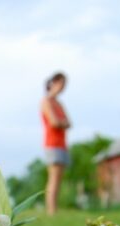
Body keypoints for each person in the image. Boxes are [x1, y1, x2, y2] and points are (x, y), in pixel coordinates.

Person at [41, 72, 70, 216]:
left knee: (58, 179)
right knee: (53, 178)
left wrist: (62, 123)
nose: (63, 87)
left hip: (62, 144)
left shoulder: (59, 103)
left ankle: (54, 210)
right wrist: (62, 122)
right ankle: (51, 211)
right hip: (52, 143)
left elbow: (68, 122)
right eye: (62, 84)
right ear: (54, 82)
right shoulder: (46, 101)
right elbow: (55, 122)